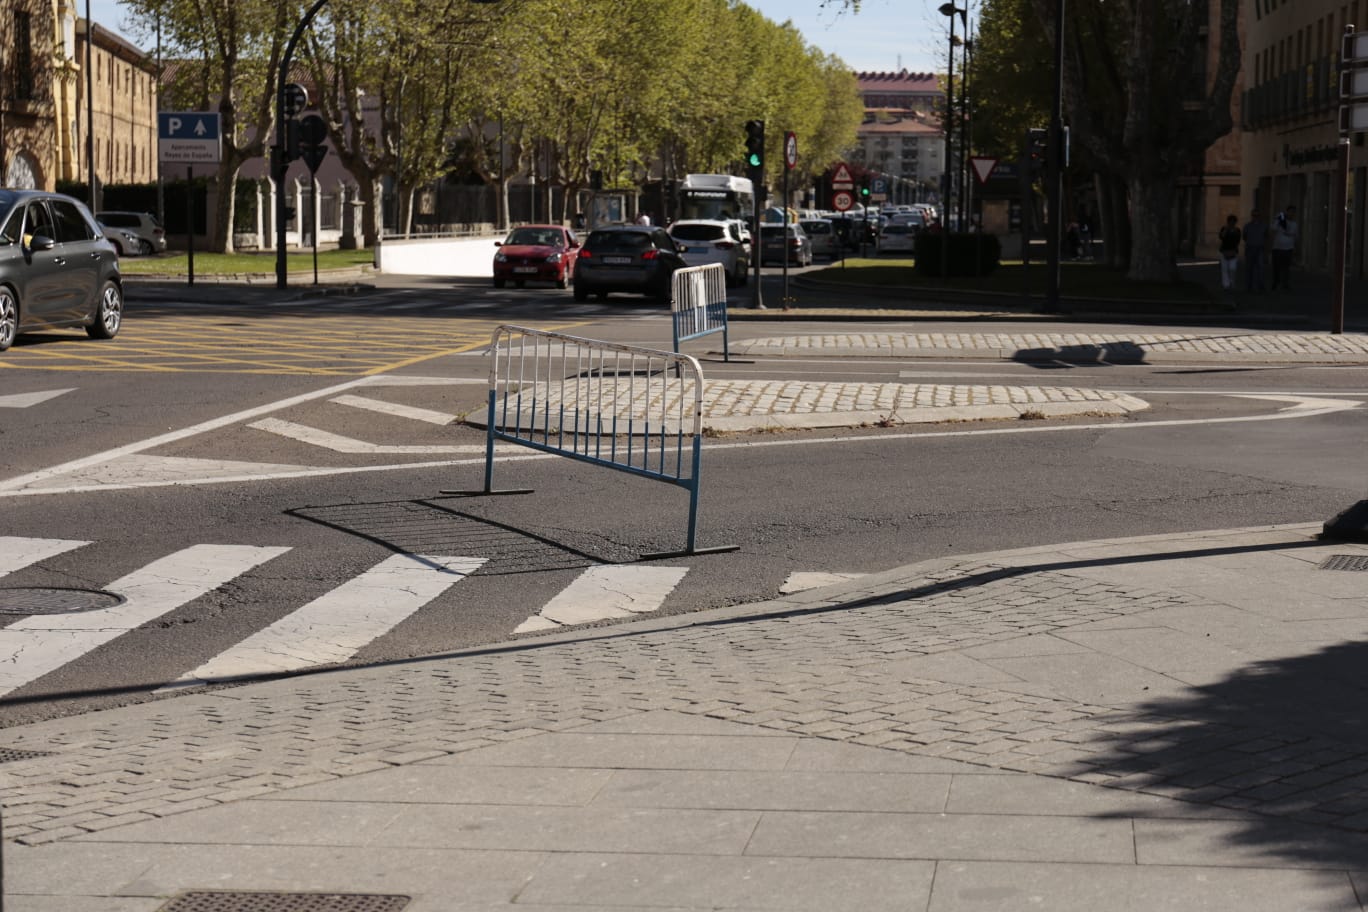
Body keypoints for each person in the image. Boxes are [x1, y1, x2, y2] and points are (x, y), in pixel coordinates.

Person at [1270, 205, 1298, 291]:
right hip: (1277, 248)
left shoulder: (1294, 224)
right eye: (1290, 211)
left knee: (1286, 268)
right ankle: (1276, 282)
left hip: (1288, 248)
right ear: (1287, 212)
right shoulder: (1280, 221)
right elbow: (1273, 228)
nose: (1291, 214)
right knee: (1276, 267)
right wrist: (1278, 220)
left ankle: (1285, 284)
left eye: (1293, 212)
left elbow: (1291, 233)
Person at [1242, 209, 1267, 293]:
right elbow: (1244, 237)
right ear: (1251, 216)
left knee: (1261, 268)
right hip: (1250, 248)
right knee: (1249, 268)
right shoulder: (1247, 226)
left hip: (1260, 249)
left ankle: (1260, 286)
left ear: (1259, 217)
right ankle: (1249, 286)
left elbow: (1266, 236)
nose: (1255, 217)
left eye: (1257, 216)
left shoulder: (1263, 226)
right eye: (1254, 216)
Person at [1217, 213, 1242, 292]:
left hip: (1233, 251)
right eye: (1230, 222)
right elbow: (1221, 237)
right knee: (1224, 269)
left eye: (1233, 222)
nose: (1231, 223)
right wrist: (1226, 230)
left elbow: (1238, 240)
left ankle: (1232, 283)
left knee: (1232, 268)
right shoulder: (1224, 228)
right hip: (1224, 251)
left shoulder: (1237, 230)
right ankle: (1226, 285)